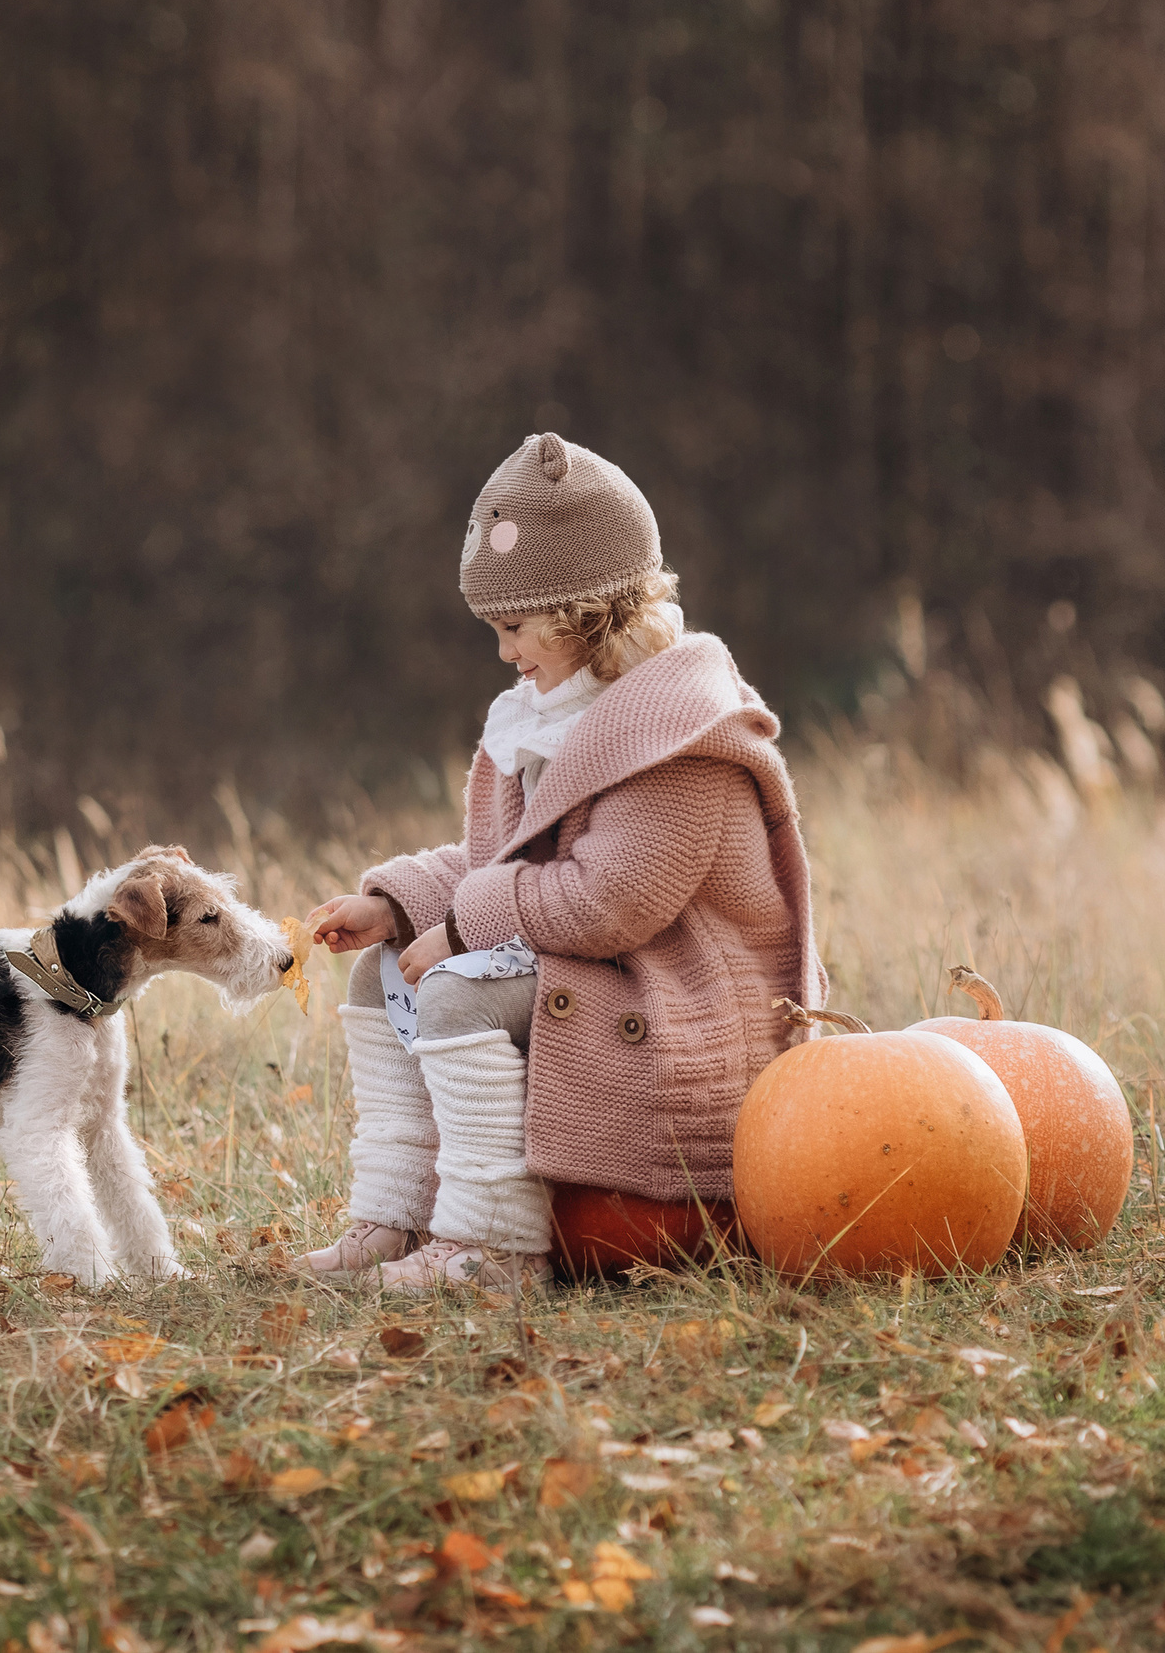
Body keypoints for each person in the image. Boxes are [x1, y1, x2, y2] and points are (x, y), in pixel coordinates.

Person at [301, 430, 827, 1291]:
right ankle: (396, 1213)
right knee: (380, 975)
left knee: (459, 989)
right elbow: (496, 859)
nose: (505, 651)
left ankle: (495, 1243)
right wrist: (399, 907)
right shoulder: (547, 716)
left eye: (514, 626)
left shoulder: (676, 731)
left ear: (584, 613)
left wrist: (464, 924)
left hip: (672, 1000)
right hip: (603, 969)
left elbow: (610, 900)